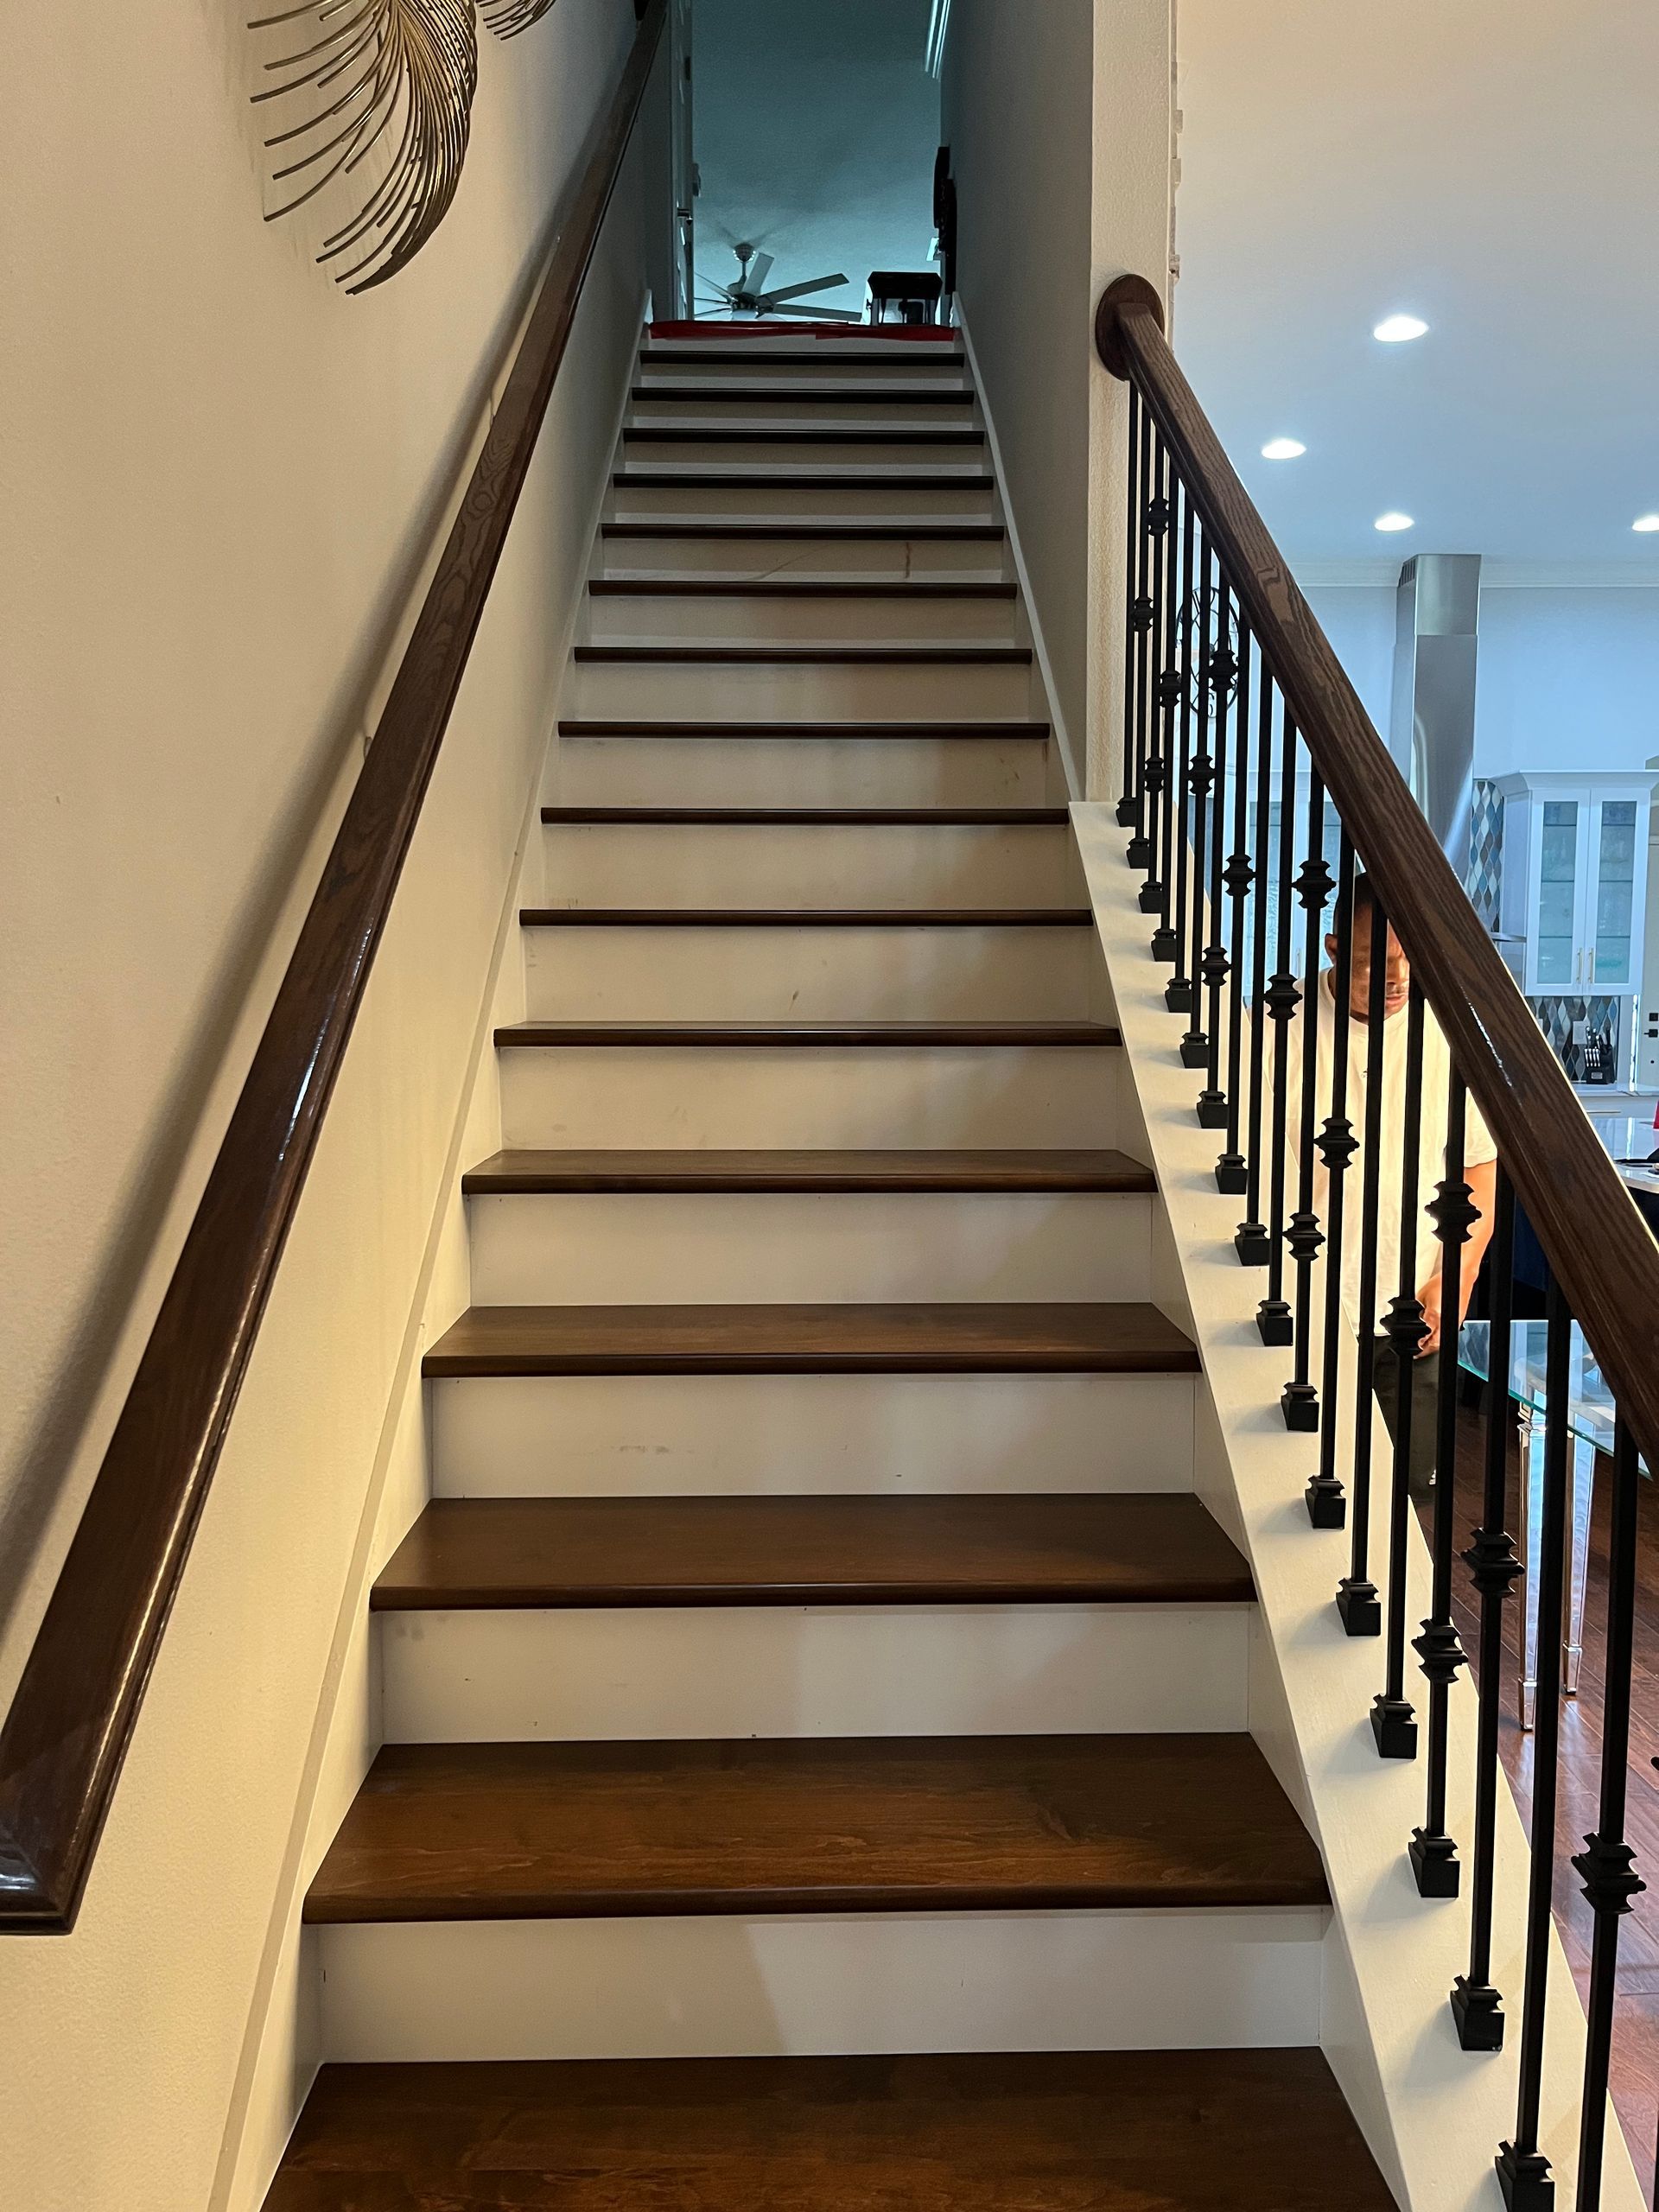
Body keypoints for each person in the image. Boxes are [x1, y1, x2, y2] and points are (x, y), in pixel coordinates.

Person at [1281, 874, 1498, 1493]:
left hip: (1413, 1316)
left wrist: (1457, 1278)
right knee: (1304, 1496)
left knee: (1409, 1509)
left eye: (1407, 962)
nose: (1395, 979)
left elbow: (1479, 1167)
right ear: (1330, 947)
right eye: (1374, 963)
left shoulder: (1447, 1036)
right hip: (1306, 1312)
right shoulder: (1275, 1028)